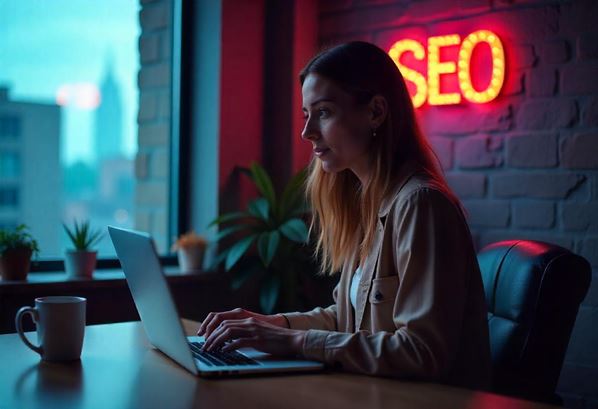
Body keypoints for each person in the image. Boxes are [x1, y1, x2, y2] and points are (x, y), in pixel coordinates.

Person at [198, 41, 492, 390]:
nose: (307, 133)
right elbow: (344, 318)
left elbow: (422, 351)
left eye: (323, 112)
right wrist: (269, 324)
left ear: (376, 112)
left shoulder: (420, 204)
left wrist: (292, 342)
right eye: (307, 115)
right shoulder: (366, 204)